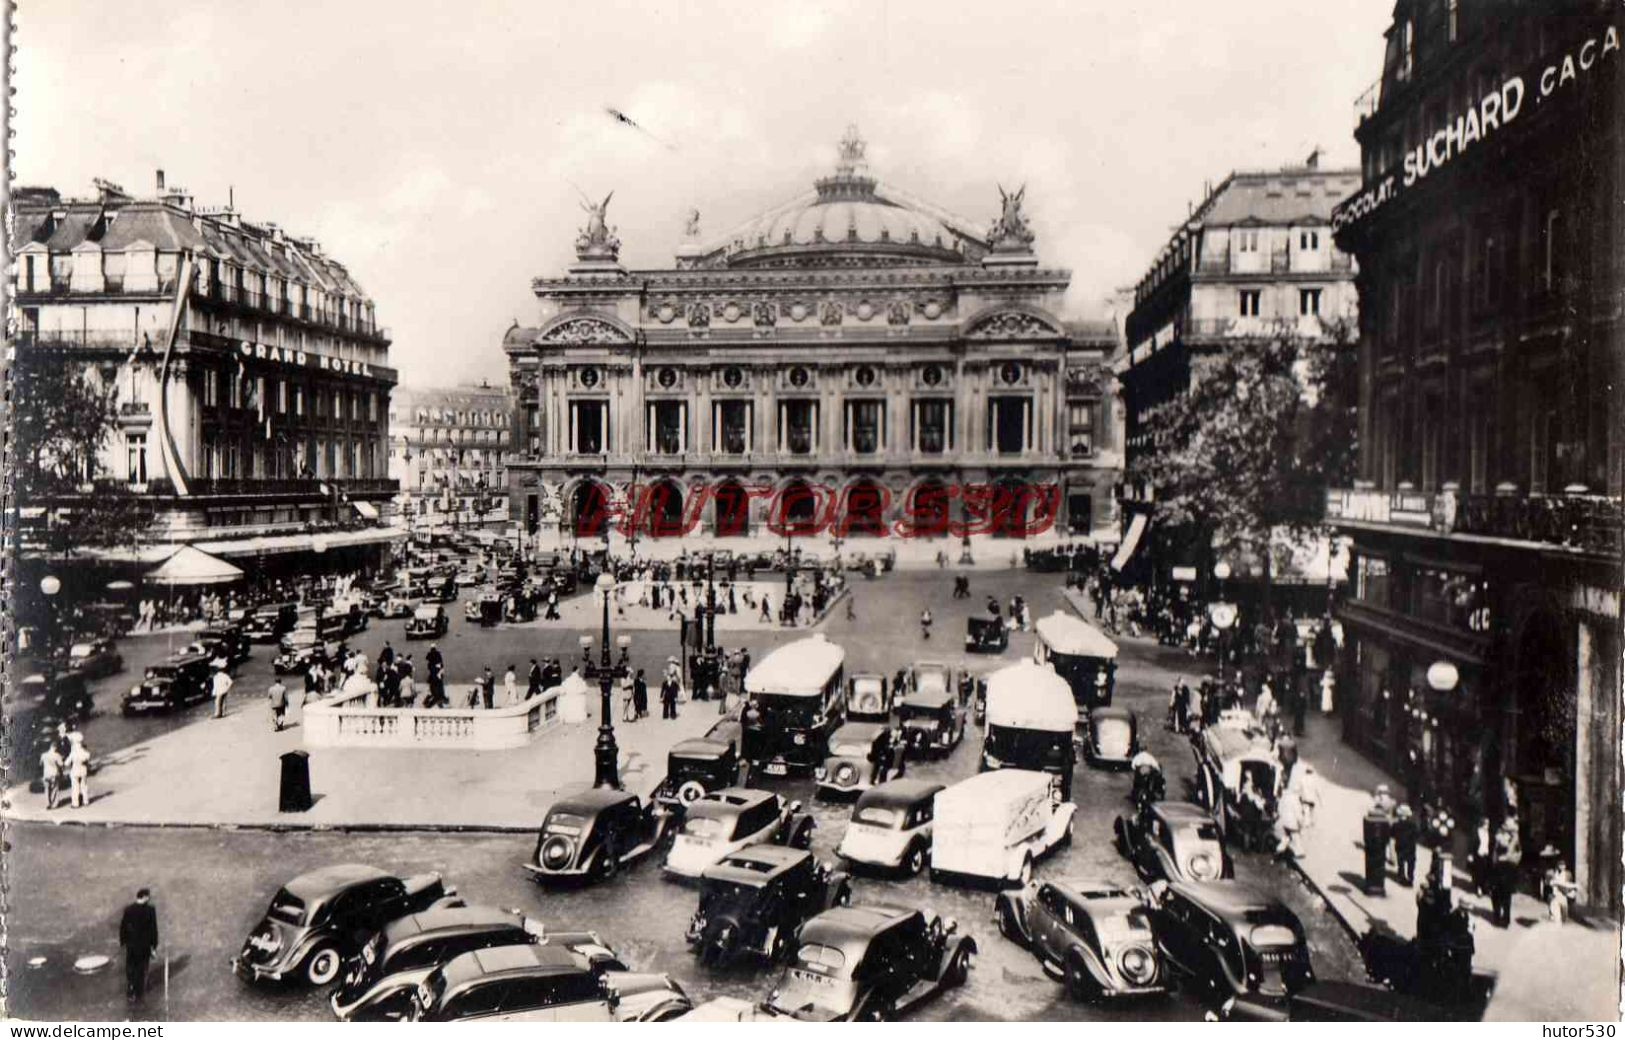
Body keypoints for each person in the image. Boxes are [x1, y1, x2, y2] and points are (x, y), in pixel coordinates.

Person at [119, 889, 159, 1002]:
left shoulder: (128, 910)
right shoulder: (150, 910)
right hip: (144, 945)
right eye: (148, 896)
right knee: (142, 967)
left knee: (131, 967)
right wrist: (154, 946)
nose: (149, 898)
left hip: (131, 945)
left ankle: (131, 988)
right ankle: (139, 991)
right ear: (145, 897)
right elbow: (153, 930)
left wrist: (123, 942)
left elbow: (123, 927)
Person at [1489, 815, 1522, 927]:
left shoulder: (1516, 839)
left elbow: (1519, 854)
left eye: (1510, 826)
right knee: (1496, 893)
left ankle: (1506, 919)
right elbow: (1493, 851)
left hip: (1509, 868)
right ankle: (1496, 916)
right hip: (1498, 868)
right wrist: (1494, 861)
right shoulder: (1498, 836)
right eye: (1507, 825)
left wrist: (1510, 858)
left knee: (1506, 894)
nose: (1508, 828)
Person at [1391, 804, 1419, 885]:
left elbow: (1392, 834)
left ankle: (1401, 877)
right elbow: (1417, 834)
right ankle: (1410, 878)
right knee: (1411, 863)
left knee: (1401, 862)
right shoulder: (1413, 825)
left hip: (1400, 846)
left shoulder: (1396, 825)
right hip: (1411, 847)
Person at [1543, 858, 1578, 923]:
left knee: (1564, 912)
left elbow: (1569, 883)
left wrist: (1571, 891)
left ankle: (1562, 922)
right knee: (1555, 914)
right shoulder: (1551, 873)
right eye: (1560, 865)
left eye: (1563, 865)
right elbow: (1547, 883)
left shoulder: (1568, 874)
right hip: (1554, 895)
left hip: (1563, 894)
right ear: (1557, 866)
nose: (1562, 867)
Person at [66, 733, 92, 808]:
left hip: (75, 771)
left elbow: (67, 763)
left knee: (75, 787)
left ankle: (75, 803)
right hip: (83, 770)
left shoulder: (73, 753)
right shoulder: (85, 753)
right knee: (84, 786)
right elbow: (87, 759)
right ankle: (86, 801)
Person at [40, 742, 64, 810]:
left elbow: (40, 764)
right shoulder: (57, 755)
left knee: (47, 789)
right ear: (55, 748)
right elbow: (61, 764)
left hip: (46, 774)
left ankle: (47, 803)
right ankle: (54, 804)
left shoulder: (44, 755)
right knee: (55, 788)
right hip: (54, 774)